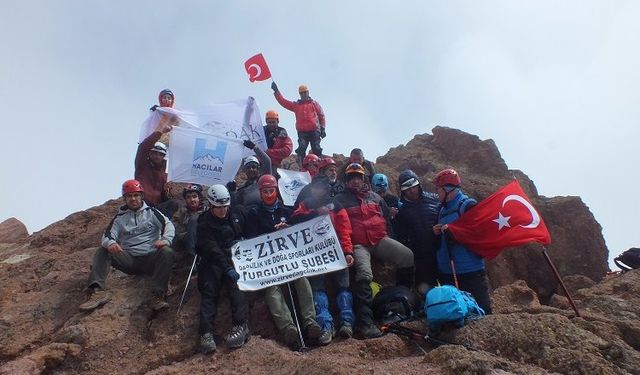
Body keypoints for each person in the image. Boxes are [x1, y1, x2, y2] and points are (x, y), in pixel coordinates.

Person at [333, 163, 414, 338]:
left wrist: (392, 239)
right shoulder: (339, 200)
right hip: (358, 244)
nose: (355, 181)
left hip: (380, 240)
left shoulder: (376, 197)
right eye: (351, 178)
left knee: (407, 256)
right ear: (346, 180)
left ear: (364, 179)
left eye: (358, 177)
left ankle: (401, 302)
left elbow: (386, 219)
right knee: (364, 274)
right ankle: (365, 323)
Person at [246, 174, 322, 350]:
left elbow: (299, 232)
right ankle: (288, 328)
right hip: (267, 262)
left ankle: (310, 323)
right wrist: (267, 236)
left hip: (290, 258)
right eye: (265, 191)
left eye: (271, 190)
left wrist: (288, 229)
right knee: (272, 288)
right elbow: (250, 238)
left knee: (302, 279)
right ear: (260, 193)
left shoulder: (287, 211)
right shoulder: (254, 213)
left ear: (276, 191)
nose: (269, 194)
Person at [79, 180, 175, 312]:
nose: (133, 199)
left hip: (151, 258)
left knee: (167, 252)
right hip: (130, 260)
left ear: (141, 196)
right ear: (125, 199)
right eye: (129, 196)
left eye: (136, 195)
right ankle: (97, 291)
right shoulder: (120, 218)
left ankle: (158, 296)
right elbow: (107, 236)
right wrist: (111, 243)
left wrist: (165, 239)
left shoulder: (152, 213)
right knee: (103, 250)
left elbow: (168, 225)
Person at [290, 175, 355, 344]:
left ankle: (347, 322)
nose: (317, 190)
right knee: (318, 289)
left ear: (326, 188)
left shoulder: (336, 205)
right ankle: (326, 326)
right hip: (314, 255)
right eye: (315, 187)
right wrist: (314, 214)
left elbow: (344, 230)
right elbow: (295, 220)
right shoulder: (306, 204)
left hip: (337, 251)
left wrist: (348, 252)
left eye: (320, 187)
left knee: (344, 287)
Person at [196, 185, 251, 354]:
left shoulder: (238, 212)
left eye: (225, 206)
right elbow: (211, 249)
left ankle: (241, 326)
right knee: (210, 290)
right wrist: (226, 267)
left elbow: (250, 229)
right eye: (218, 208)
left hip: (236, 256)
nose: (222, 210)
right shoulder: (204, 223)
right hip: (213, 260)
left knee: (236, 287)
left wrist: (245, 240)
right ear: (211, 206)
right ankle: (206, 333)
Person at [432, 168, 492, 314]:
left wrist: (454, 233)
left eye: (438, 189)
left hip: (470, 272)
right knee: (456, 315)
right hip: (448, 273)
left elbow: (478, 233)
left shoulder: (468, 206)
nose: (436, 193)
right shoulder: (441, 210)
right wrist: (437, 233)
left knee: (482, 313)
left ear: (448, 189)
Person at [394, 170, 441, 294]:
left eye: (413, 187)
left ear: (418, 184)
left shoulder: (436, 199)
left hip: (441, 251)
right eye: (407, 189)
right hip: (420, 258)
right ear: (403, 191)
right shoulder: (402, 211)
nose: (412, 191)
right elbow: (401, 235)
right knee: (427, 293)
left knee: (449, 288)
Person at [271, 82, 326, 166]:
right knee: (301, 148)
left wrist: (323, 128)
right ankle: (302, 165)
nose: (303, 94)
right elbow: (283, 102)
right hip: (302, 132)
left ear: (308, 92)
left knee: (316, 148)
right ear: (299, 94)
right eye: (301, 93)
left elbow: (321, 116)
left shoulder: (314, 103)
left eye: (305, 92)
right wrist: (276, 91)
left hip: (314, 130)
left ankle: (319, 165)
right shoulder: (296, 105)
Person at [135, 122, 179, 218]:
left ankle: (162, 228)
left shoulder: (164, 175)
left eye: (160, 154)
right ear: (150, 154)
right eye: (154, 153)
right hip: (140, 206)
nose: (157, 156)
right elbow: (143, 147)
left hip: (155, 210)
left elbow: (164, 198)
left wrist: (168, 191)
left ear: (163, 156)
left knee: (173, 204)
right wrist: (160, 132)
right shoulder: (142, 165)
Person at [231, 140, 273, 210]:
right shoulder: (242, 189)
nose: (251, 169)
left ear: (258, 169)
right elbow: (235, 207)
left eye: (253, 167)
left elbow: (267, 161)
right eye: (248, 167)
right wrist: (232, 192)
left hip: (265, 214)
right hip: (250, 216)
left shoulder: (264, 181)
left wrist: (254, 147)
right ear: (245, 171)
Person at [172, 184, 207, 257]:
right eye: (188, 197)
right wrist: (189, 234)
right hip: (186, 243)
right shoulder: (181, 212)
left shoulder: (207, 211)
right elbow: (175, 229)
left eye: (194, 196)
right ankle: (192, 257)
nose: (192, 200)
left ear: (199, 198)